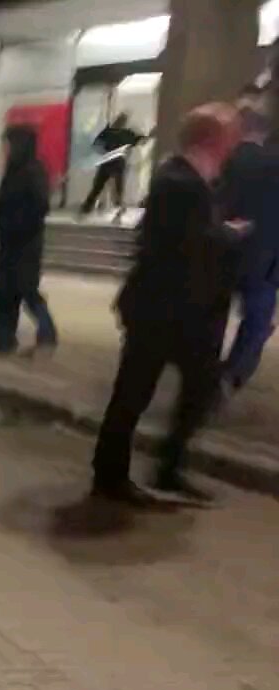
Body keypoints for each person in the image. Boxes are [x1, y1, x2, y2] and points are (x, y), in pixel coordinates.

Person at [91, 103, 243, 507]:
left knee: (197, 387)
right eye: (230, 136)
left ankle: (167, 468)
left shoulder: (194, 178)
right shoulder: (179, 181)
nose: (235, 144)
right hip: (162, 310)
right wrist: (227, 236)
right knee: (133, 395)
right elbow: (187, 244)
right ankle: (112, 477)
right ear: (212, 139)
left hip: (183, 310)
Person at [219, 104, 278, 396]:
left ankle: (202, 371)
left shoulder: (221, 160)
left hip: (218, 250)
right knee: (257, 321)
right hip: (263, 258)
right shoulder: (274, 163)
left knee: (211, 313)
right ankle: (231, 375)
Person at [0, 125, 57, 355]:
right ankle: (3, 338)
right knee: (5, 292)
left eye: (9, 144)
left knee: (24, 289)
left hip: (25, 244)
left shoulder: (33, 171)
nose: (5, 149)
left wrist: (14, 225)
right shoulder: (14, 170)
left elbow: (38, 207)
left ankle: (46, 332)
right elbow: (4, 204)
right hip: (10, 242)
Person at [79, 112, 146, 219]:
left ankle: (88, 206)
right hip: (117, 162)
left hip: (108, 161)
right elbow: (140, 140)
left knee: (99, 186)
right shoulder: (125, 133)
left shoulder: (109, 132)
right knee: (114, 187)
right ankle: (117, 206)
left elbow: (96, 146)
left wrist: (103, 152)